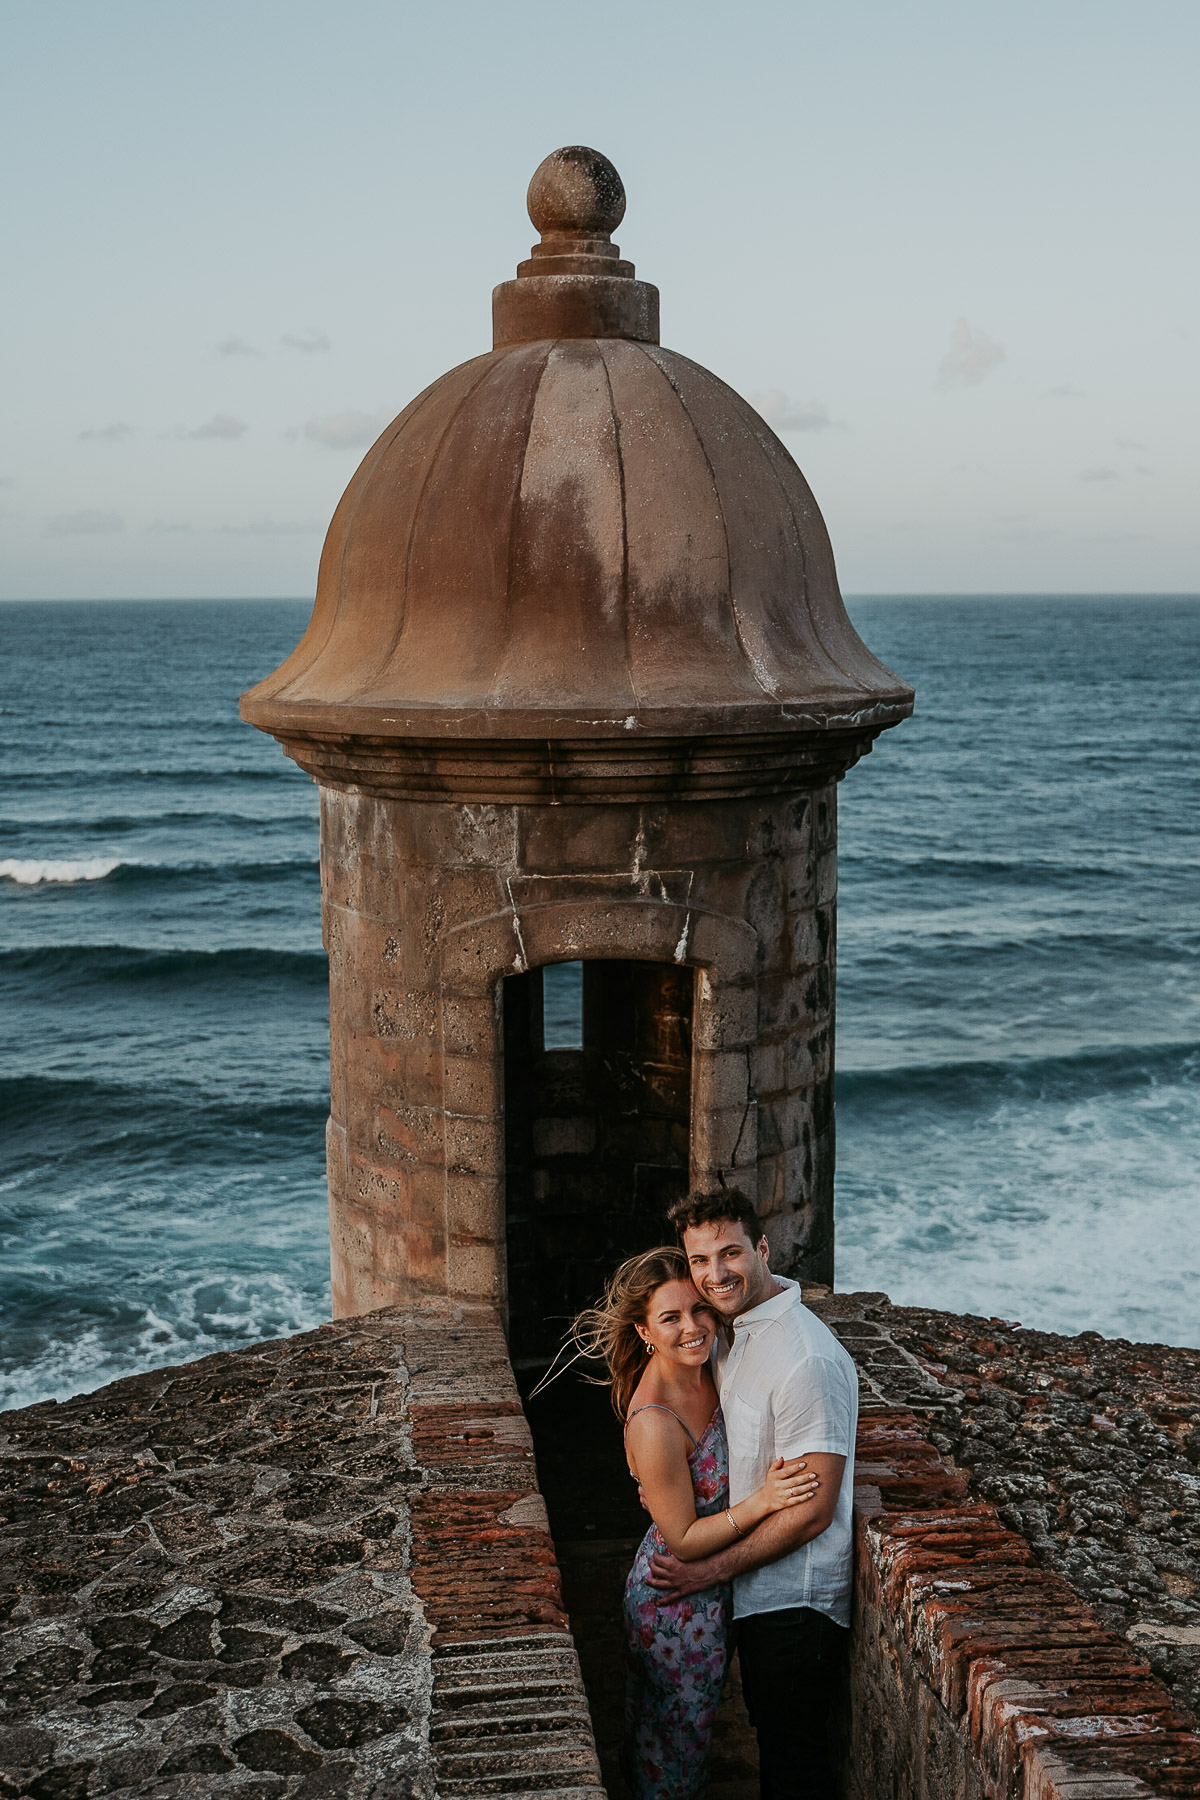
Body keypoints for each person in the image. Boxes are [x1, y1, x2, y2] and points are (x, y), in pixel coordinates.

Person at [569, 1246, 820, 1800]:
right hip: (677, 1605)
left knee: (675, 1735)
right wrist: (765, 1503)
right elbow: (682, 1540)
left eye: (698, 1310)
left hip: (717, 1587)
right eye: (670, 1318)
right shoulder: (654, 1420)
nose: (692, 1327)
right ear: (644, 1331)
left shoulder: (714, 1360)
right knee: (676, 1753)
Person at [647, 1193, 858, 1800]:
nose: (716, 1273)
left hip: (797, 1602)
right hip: (758, 1593)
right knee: (778, 1754)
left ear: (762, 1250)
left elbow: (815, 1510)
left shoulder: (805, 1357)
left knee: (795, 1767)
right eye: (700, 1259)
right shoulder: (734, 1333)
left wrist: (709, 1569)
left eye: (731, 1252)